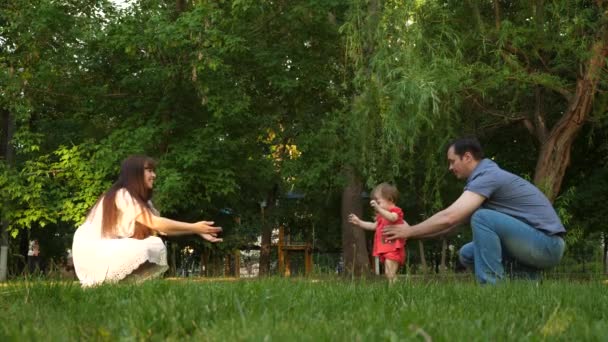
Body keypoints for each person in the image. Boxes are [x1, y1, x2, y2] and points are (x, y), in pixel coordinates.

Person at [383, 138, 566, 284]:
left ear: (467, 157)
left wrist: (410, 230)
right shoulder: (482, 181)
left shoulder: (487, 176)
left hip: (547, 244)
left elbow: (450, 216)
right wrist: (411, 234)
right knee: (468, 253)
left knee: (482, 218)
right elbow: (450, 226)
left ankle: (493, 287)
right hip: (535, 245)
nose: (450, 167)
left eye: (452, 161)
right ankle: (527, 282)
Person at [72, 155, 222, 287]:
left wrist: (197, 230)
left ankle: (128, 286)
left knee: (154, 243)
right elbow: (156, 223)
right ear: (135, 174)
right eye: (149, 170)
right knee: (147, 247)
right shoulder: (122, 195)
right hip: (91, 247)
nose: (154, 175)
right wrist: (195, 228)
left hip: (107, 245)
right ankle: (121, 284)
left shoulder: (141, 201)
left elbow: (162, 229)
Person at [349, 183, 406, 283]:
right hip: (386, 248)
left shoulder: (395, 211)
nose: (377, 206)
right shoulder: (382, 217)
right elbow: (372, 226)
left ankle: (396, 290)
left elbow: (393, 218)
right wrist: (359, 222)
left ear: (390, 199)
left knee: (390, 273)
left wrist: (379, 209)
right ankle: (395, 289)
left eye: (379, 202)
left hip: (393, 248)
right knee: (388, 273)